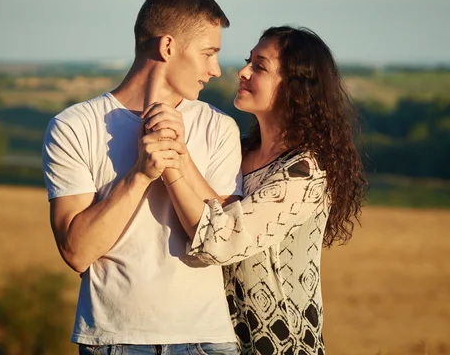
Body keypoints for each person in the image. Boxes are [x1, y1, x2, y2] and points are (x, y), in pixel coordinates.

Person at [41, 0, 243, 354]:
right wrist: (139, 175)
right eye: (208, 53)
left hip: (206, 340)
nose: (216, 70)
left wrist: (178, 158)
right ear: (168, 47)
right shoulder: (74, 126)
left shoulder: (219, 127)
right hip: (113, 341)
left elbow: (225, 241)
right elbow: (77, 252)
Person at [143, 26, 366, 354]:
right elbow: (219, 211)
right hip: (224, 341)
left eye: (259, 67)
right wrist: (181, 153)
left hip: (284, 345)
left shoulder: (306, 172)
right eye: (249, 62)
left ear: (296, 86)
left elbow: (221, 241)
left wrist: (170, 164)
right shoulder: (244, 152)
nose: (243, 71)